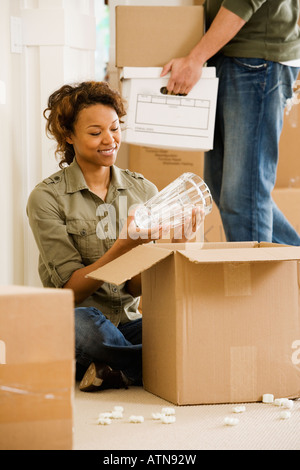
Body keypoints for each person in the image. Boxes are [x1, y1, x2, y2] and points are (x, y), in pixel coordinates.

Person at [27, 81, 201, 392]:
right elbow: (70, 294)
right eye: (95, 133)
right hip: (80, 321)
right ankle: (155, 365)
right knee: (82, 325)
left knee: (193, 326)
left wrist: (178, 242)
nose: (110, 140)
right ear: (68, 136)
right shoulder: (46, 197)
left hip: (129, 322)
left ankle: (118, 369)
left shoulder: (144, 190)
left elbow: (135, 287)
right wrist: (123, 247)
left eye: (115, 128)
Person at [161, 0, 300, 245]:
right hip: (228, 54)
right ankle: (291, 264)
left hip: (257, 59)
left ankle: (253, 283)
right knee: (221, 184)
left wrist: (195, 58)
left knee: (243, 195)